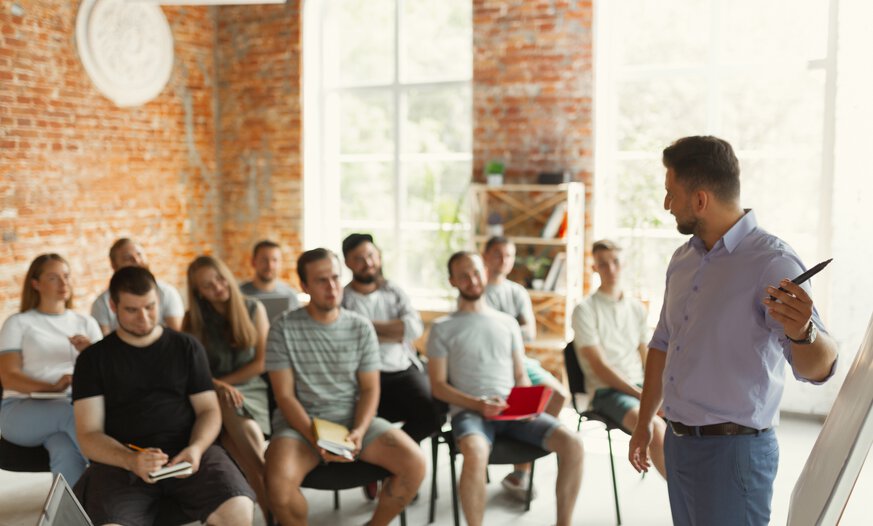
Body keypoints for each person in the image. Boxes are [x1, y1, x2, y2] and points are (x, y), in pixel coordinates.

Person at [628, 136, 839, 526]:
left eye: (670, 193)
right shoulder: (682, 259)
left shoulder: (773, 262)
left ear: (701, 200)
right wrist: (645, 424)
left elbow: (819, 370)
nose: (666, 205)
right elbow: (662, 343)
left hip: (734, 453)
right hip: (678, 444)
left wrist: (804, 331)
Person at [72, 266, 255, 526]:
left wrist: (197, 447)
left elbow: (208, 411)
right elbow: (88, 435)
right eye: (132, 310)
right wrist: (131, 460)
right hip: (121, 463)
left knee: (238, 510)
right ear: (113, 306)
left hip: (188, 452)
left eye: (150, 307)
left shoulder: (187, 347)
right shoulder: (93, 359)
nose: (144, 319)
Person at [264, 248, 425, 526]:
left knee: (415, 464)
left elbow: (370, 389)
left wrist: (360, 431)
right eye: (321, 280)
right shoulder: (282, 328)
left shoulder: (361, 327)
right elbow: (285, 396)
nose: (332, 287)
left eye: (336, 278)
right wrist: (315, 436)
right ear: (304, 286)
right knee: (278, 487)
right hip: (301, 427)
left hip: (353, 421)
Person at [428, 251, 583, 526]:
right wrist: (478, 404)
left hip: (513, 411)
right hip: (470, 413)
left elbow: (520, 375)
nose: (471, 280)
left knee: (573, 444)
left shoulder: (507, 323)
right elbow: (438, 387)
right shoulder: (442, 328)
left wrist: (528, 407)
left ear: (485, 272)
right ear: (452, 281)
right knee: (475, 453)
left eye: (475, 272)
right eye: (463, 275)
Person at [0, 253, 101, 485]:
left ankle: (77, 516)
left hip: (73, 404)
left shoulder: (86, 323)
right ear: (35, 284)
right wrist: (52, 387)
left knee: (65, 451)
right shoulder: (18, 323)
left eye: (66, 276)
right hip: (21, 410)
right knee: (72, 414)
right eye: (54, 278)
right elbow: (9, 378)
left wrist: (90, 352)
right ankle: (117, 479)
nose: (64, 283)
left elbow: (107, 374)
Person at [481, 236, 569, 497]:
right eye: (498, 254)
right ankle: (517, 461)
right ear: (485, 256)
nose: (504, 260)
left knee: (557, 394)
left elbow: (529, 332)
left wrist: (504, 330)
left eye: (509, 255)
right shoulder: (477, 290)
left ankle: (522, 467)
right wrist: (511, 327)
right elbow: (483, 336)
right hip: (490, 364)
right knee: (516, 401)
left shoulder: (516, 291)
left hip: (521, 360)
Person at [184, 255, 270, 523]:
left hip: (251, 389)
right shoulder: (193, 320)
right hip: (210, 393)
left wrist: (226, 385)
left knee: (241, 438)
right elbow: (190, 371)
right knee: (232, 417)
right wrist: (218, 386)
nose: (219, 287)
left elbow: (260, 363)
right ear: (198, 292)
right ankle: (271, 492)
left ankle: (266, 500)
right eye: (209, 286)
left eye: (220, 279)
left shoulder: (253, 308)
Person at [571, 239, 666, 478]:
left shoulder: (636, 308)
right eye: (603, 264)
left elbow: (648, 357)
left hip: (641, 386)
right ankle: (687, 504)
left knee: (695, 413)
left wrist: (658, 390)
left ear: (623, 263)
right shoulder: (584, 310)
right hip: (607, 392)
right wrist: (643, 396)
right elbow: (600, 367)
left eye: (615, 262)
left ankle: (701, 491)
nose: (610, 269)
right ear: (594, 268)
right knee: (654, 427)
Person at [341, 233, 441, 444]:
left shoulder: (393, 291)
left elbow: (413, 328)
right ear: (347, 263)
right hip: (362, 376)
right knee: (357, 420)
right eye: (358, 258)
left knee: (432, 413)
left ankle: (393, 457)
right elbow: (347, 337)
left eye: (371, 255)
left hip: (402, 370)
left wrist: (366, 326)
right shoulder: (343, 298)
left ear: (379, 256)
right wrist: (394, 330)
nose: (367, 263)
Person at [91, 238, 184, 335]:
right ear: (114, 265)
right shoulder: (101, 303)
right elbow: (103, 343)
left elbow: (176, 337)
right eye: (127, 258)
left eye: (139, 254)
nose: (136, 260)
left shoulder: (167, 292)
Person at [240, 240, 300, 305]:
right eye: (264, 260)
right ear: (253, 262)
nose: (270, 266)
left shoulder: (290, 296)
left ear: (281, 263)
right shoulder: (239, 294)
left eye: (274, 260)